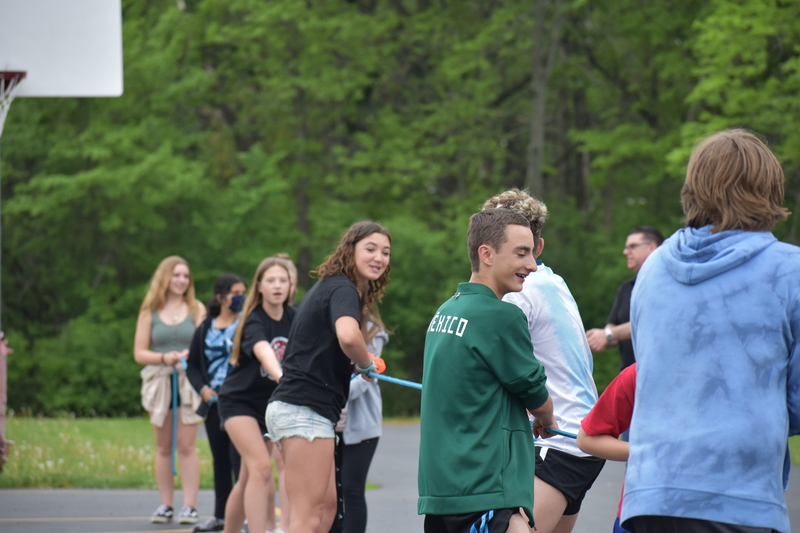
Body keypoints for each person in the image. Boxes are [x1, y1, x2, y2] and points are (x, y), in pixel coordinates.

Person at [622, 129, 800, 533]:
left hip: (651, 494)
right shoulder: (789, 270)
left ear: (694, 189)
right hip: (738, 497)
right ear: (768, 188)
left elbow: (650, 368)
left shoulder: (652, 269)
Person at [418, 209, 557, 533]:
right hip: (484, 486)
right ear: (487, 254)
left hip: (441, 489)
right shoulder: (501, 316)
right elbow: (537, 397)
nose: (532, 265)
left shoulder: (446, 310)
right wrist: (547, 419)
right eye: (521, 253)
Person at [483, 190, 605, 533]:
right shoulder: (553, 281)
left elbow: (502, 369)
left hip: (557, 440)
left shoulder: (520, 292)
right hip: (581, 438)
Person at [266, 221, 392, 533]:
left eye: (386, 252)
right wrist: (366, 364)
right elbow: (349, 336)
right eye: (371, 249)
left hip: (308, 412)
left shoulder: (337, 287)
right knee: (307, 519)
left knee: (327, 511)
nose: (379, 257)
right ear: (350, 251)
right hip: (303, 411)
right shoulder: (342, 287)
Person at [217, 257, 296, 533]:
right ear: (259, 286)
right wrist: (283, 376)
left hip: (269, 407)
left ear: (290, 285)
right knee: (261, 468)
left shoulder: (294, 318)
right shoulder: (254, 321)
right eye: (271, 280)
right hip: (238, 403)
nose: (277, 286)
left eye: (282, 280)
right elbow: (265, 351)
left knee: (249, 476)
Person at [134, 255, 207, 524]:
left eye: (185, 276)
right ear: (165, 277)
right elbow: (139, 352)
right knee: (163, 447)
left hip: (188, 381)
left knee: (187, 446)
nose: (181, 281)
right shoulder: (149, 310)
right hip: (160, 382)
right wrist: (164, 358)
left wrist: (190, 354)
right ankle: (166, 504)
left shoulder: (196, 308)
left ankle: (189, 505)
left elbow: (204, 344)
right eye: (176, 275)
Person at [186, 274, 247, 532]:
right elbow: (193, 366)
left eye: (244, 291)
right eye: (236, 292)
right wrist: (202, 389)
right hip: (214, 406)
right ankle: (220, 516)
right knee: (220, 460)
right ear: (221, 297)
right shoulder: (205, 328)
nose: (241, 297)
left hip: (240, 404)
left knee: (239, 461)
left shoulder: (247, 325)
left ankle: (242, 518)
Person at [331, 317, 389, 533]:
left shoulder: (373, 330)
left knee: (352, 490)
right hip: (329, 423)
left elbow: (367, 377)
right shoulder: (328, 322)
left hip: (363, 424)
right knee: (330, 494)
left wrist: (332, 393)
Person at [585, 226, 663, 370]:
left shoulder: (667, 286)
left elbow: (648, 322)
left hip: (659, 374)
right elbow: (611, 332)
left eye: (632, 246)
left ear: (652, 248)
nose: (625, 252)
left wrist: (609, 334)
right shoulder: (626, 288)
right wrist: (592, 338)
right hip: (629, 379)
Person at [577, 363, 636, 533]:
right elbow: (587, 438)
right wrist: (651, 452)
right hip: (641, 511)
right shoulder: (639, 373)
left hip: (712, 509)